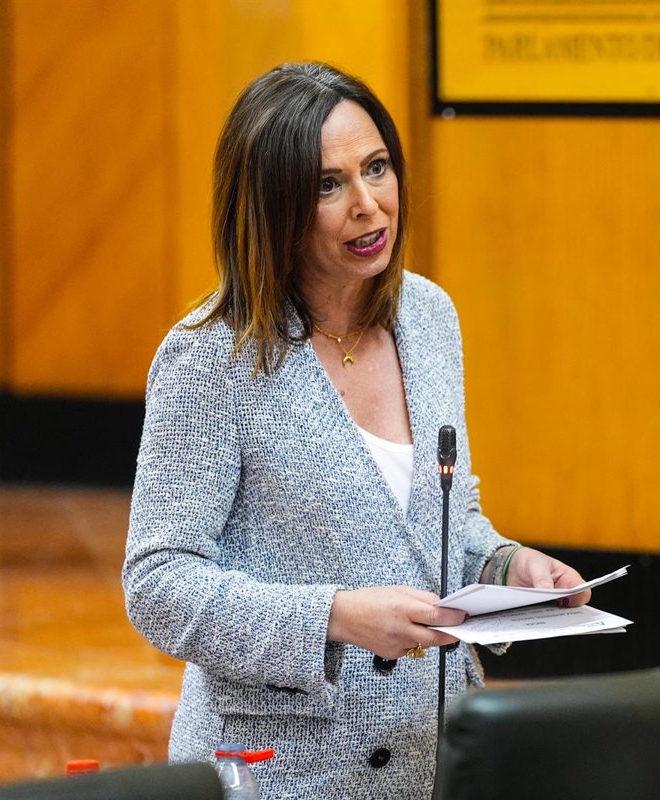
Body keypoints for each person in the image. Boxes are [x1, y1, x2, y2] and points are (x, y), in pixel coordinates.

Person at [123, 62, 591, 800]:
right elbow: (158, 584)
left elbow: (440, 524)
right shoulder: (212, 357)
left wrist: (508, 568)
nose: (369, 205)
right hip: (284, 775)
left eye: (377, 168)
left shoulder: (428, 317)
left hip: (436, 755)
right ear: (272, 207)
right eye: (327, 185)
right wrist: (334, 618)